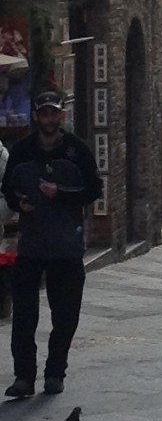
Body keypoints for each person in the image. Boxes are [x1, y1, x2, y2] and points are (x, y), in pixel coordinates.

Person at [1, 89, 103, 397]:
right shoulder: (23, 150)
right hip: (31, 246)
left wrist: (61, 194)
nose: (48, 119)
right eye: (43, 114)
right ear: (36, 116)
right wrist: (19, 202)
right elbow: (8, 188)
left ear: (60, 115)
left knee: (65, 315)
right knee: (24, 317)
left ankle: (55, 373)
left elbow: (93, 189)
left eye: (53, 113)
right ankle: (24, 377)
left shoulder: (77, 150)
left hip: (66, 247)